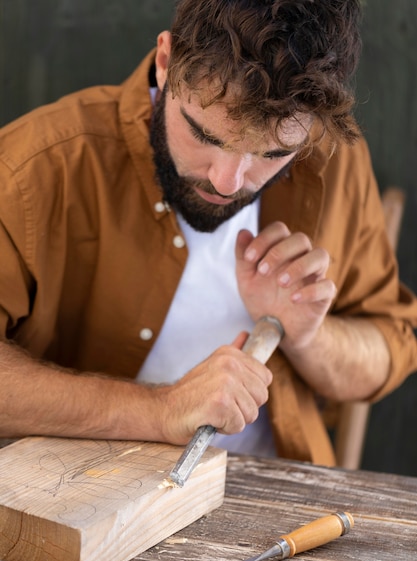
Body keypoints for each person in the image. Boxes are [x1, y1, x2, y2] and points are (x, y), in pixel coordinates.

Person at [0, 0, 416, 465]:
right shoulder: (32, 169)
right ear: (165, 62)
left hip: (278, 493)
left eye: (272, 153)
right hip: (81, 497)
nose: (228, 182)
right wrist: (159, 410)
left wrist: (308, 337)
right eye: (205, 136)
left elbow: (389, 347)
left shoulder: (329, 159)